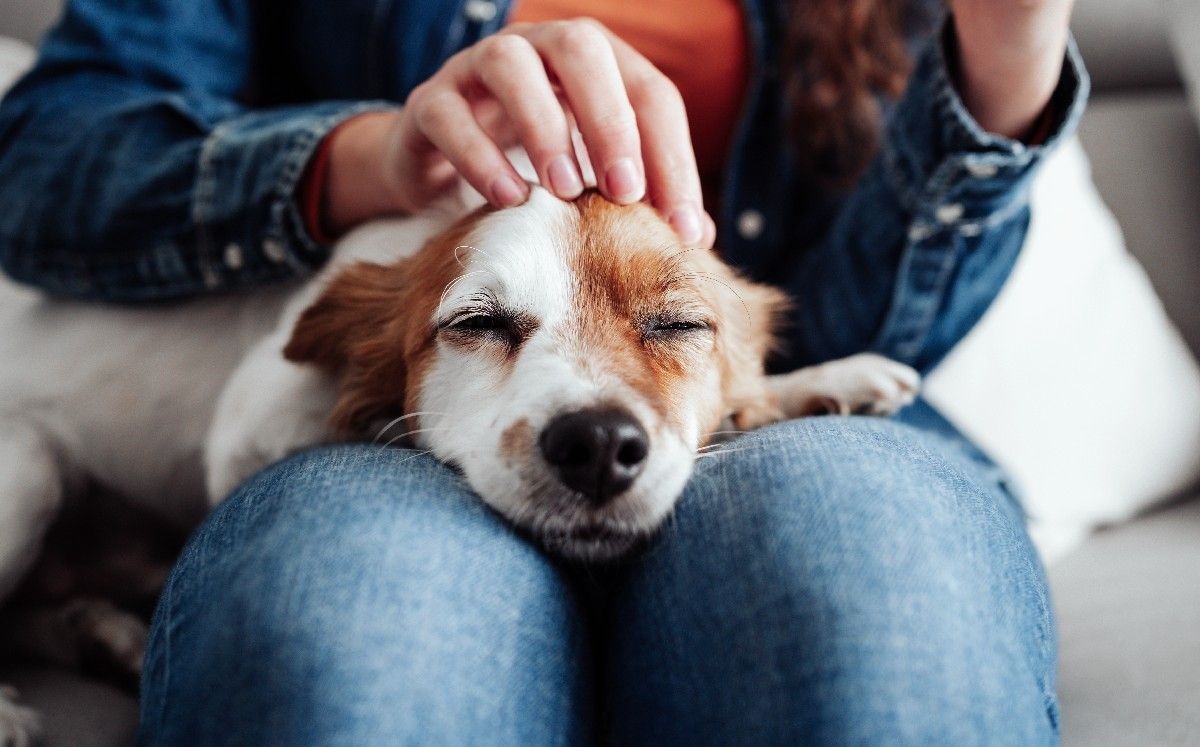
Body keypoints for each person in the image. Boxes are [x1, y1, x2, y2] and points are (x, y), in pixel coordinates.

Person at [0, 0, 1086, 743]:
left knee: (874, 598)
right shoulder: (372, 327)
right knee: (361, 632)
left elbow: (842, 330)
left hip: (752, 428)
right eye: (487, 318)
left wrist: (1006, 59)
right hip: (398, 458)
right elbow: (34, 164)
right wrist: (369, 159)